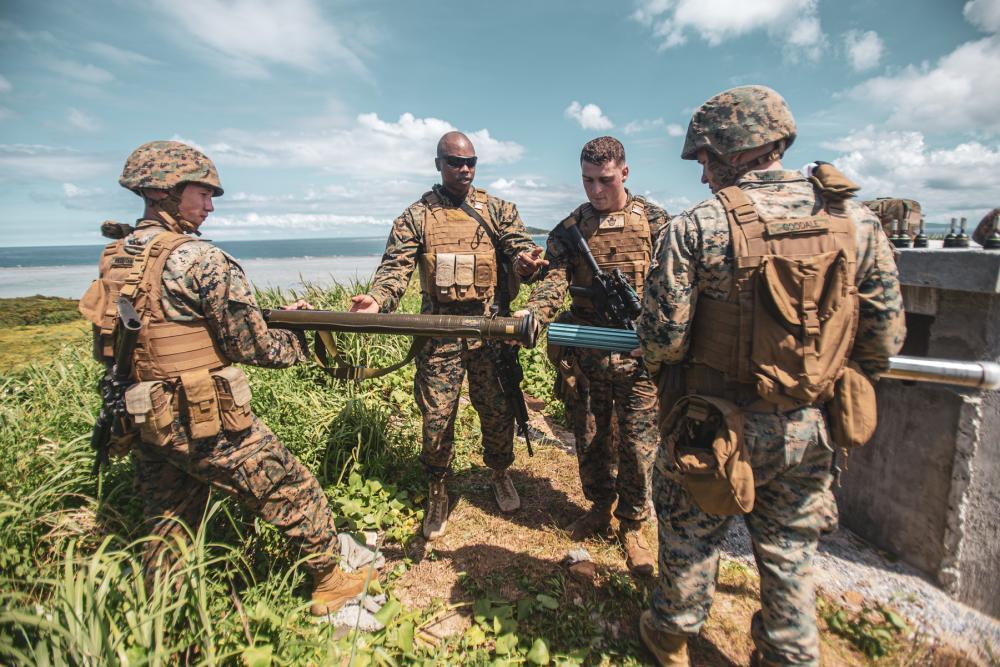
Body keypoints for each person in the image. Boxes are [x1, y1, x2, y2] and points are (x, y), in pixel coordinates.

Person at [636, 87, 905, 666]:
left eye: (706, 158)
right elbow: (884, 339)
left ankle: (671, 635)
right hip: (809, 427)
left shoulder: (699, 226)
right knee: (790, 553)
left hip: (711, 425)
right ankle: (788, 650)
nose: (703, 173)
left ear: (734, 151)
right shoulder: (855, 221)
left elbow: (661, 338)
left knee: (689, 533)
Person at [78, 141, 368, 616]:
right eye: (204, 194)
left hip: (144, 414)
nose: (210, 207)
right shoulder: (201, 259)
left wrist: (270, 318)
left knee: (169, 524)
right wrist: (299, 340)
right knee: (292, 490)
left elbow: (162, 327)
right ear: (165, 191)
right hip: (201, 417)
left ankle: (163, 620)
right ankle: (331, 581)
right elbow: (254, 347)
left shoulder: (119, 255)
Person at [349, 131, 547, 540]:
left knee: (497, 411)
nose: (465, 169)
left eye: (471, 161)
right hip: (439, 336)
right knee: (437, 417)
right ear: (438, 164)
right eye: (456, 162)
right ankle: (438, 485)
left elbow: (519, 249)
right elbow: (395, 270)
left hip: (490, 332)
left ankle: (499, 472)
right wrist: (377, 300)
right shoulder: (416, 216)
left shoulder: (498, 210)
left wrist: (527, 263)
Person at [516, 136, 669, 575]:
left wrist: (660, 335)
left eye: (605, 180)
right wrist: (534, 313)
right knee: (590, 436)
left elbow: (674, 285)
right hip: (587, 351)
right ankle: (600, 507)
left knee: (638, 445)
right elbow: (555, 280)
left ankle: (633, 525)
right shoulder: (570, 229)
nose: (596, 190)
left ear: (625, 172)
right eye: (587, 180)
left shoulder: (656, 222)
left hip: (639, 356)